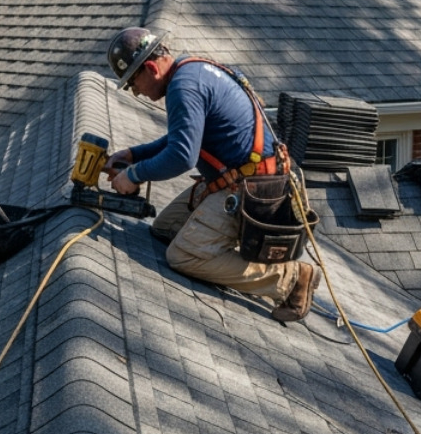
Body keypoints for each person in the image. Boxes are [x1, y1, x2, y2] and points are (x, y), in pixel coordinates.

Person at [103, 27, 319, 322]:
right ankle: (218, 246)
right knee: (164, 228)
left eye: (133, 84)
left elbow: (182, 156)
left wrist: (133, 175)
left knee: (183, 256)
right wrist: (133, 155)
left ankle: (290, 278)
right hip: (245, 179)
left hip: (253, 191)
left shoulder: (183, 87)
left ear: (151, 68)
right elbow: (184, 136)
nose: (136, 91)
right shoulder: (192, 70)